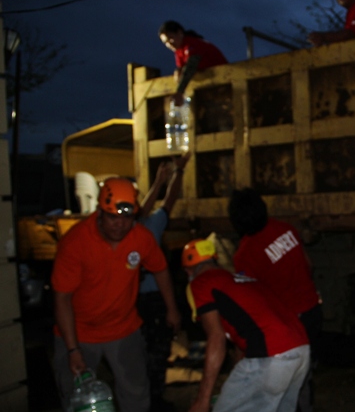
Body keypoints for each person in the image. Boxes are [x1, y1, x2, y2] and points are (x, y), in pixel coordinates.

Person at [52, 177, 181, 412]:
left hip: (123, 329)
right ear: (100, 212)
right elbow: (62, 298)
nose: (119, 225)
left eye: (126, 218)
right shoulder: (75, 243)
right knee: (79, 400)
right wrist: (73, 349)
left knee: (137, 394)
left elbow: (160, 269)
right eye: (113, 217)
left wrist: (172, 309)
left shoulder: (140, 237)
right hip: (79, 332)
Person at [182, 239, 310, 412]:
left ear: (188, 270)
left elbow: (216, 337)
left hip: (271, 354)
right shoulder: (242, 280)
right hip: (301, 349)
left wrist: (202, 399)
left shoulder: (202, 283)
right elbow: (253, 324)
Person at [228, 188, 322, 412]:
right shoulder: (285, 229)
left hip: (289, 327)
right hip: (312, 313)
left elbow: (252, 301)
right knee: (304, 377)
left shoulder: (245, 254)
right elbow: (309, 265)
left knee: (283, 386)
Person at [137, 152, 191, 411]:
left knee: (152, 354)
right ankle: (149, 400)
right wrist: (165, 179)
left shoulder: (146, 226)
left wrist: (168, 178)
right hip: (144, 301)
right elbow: (166, 202)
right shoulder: (141, 228)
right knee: (149, 354)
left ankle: (151, 400)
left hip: (145, 301)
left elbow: (167, 202)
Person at [158, 20, 228, 105]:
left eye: (171, 38)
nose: (169, 44)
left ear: (180, 33)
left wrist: (179, 92)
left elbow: (190, 67)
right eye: (165, 42)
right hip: (209, 87)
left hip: (224, 82)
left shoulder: (193, 43)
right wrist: (178, 71)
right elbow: (181, 69)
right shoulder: (178, 52)